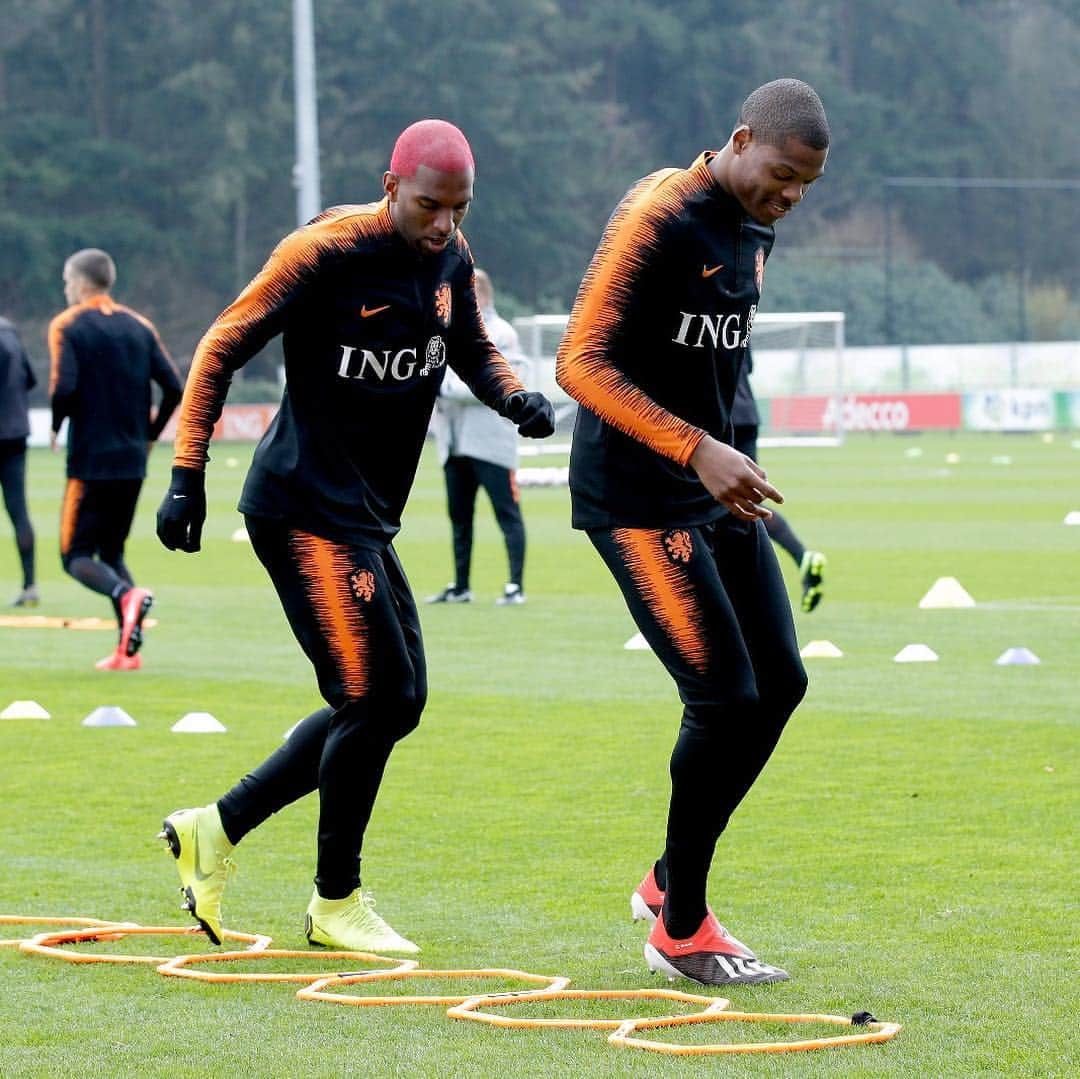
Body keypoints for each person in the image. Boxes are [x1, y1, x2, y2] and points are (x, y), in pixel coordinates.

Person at [155, 119, 554, 954]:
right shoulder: (325, 253)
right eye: (429, 205)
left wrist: (513, 396)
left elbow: (469, 346)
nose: (444, 223)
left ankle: (214, 828)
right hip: (300, 508)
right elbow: (221, 346)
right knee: (373, 697)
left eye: (459, 207)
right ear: (390, 185)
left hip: (365, 518)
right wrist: (186, 474)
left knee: (394, 699)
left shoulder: (451, 256)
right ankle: (335, 901)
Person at [556, 79, 829, 986]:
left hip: (711, 489)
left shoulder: (758, 225)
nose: (788, 197)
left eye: (804, 188)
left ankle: (669, 877)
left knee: (779, 682)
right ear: (742, 139)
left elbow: (720, 359)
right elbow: (577, 362)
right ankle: (681, 924)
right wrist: (695, 446)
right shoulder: (660, 210)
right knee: (720, 696)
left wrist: (731, 455)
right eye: (781, 175)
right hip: (637, 492)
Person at [48, 248, 182, 670]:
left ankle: (127, 595)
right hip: (131, 459)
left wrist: (55, 426)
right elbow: (174, 386)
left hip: (90, 458)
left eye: (68, 281)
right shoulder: (139, 327)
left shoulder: (67, 325)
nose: (66, 289)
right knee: (112, 550)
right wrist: (150, 437)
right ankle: (127, 651)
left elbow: (65, 386)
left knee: (76, 555)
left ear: (83, 283)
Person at [427, 268, 532, 606]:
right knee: (459, 516)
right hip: (454, 441)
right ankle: (461, 585)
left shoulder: (502, 332)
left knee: (507, 513)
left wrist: (442, 388)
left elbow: (500, 382)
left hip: (491, 442)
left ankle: (515, 585)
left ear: (480, 295)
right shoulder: (447, 330)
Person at [732, 351, 826, 612]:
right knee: (744, 504)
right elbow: (748, 365)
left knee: (716, 507)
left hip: (719, 419)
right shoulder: (735, 316)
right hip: (747, 414)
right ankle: (801, 556)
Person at [0, 316, 38, 607]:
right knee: (18, 511)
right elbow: (30, 379)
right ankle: (29, 585)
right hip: (15, 431)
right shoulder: (10, 330)